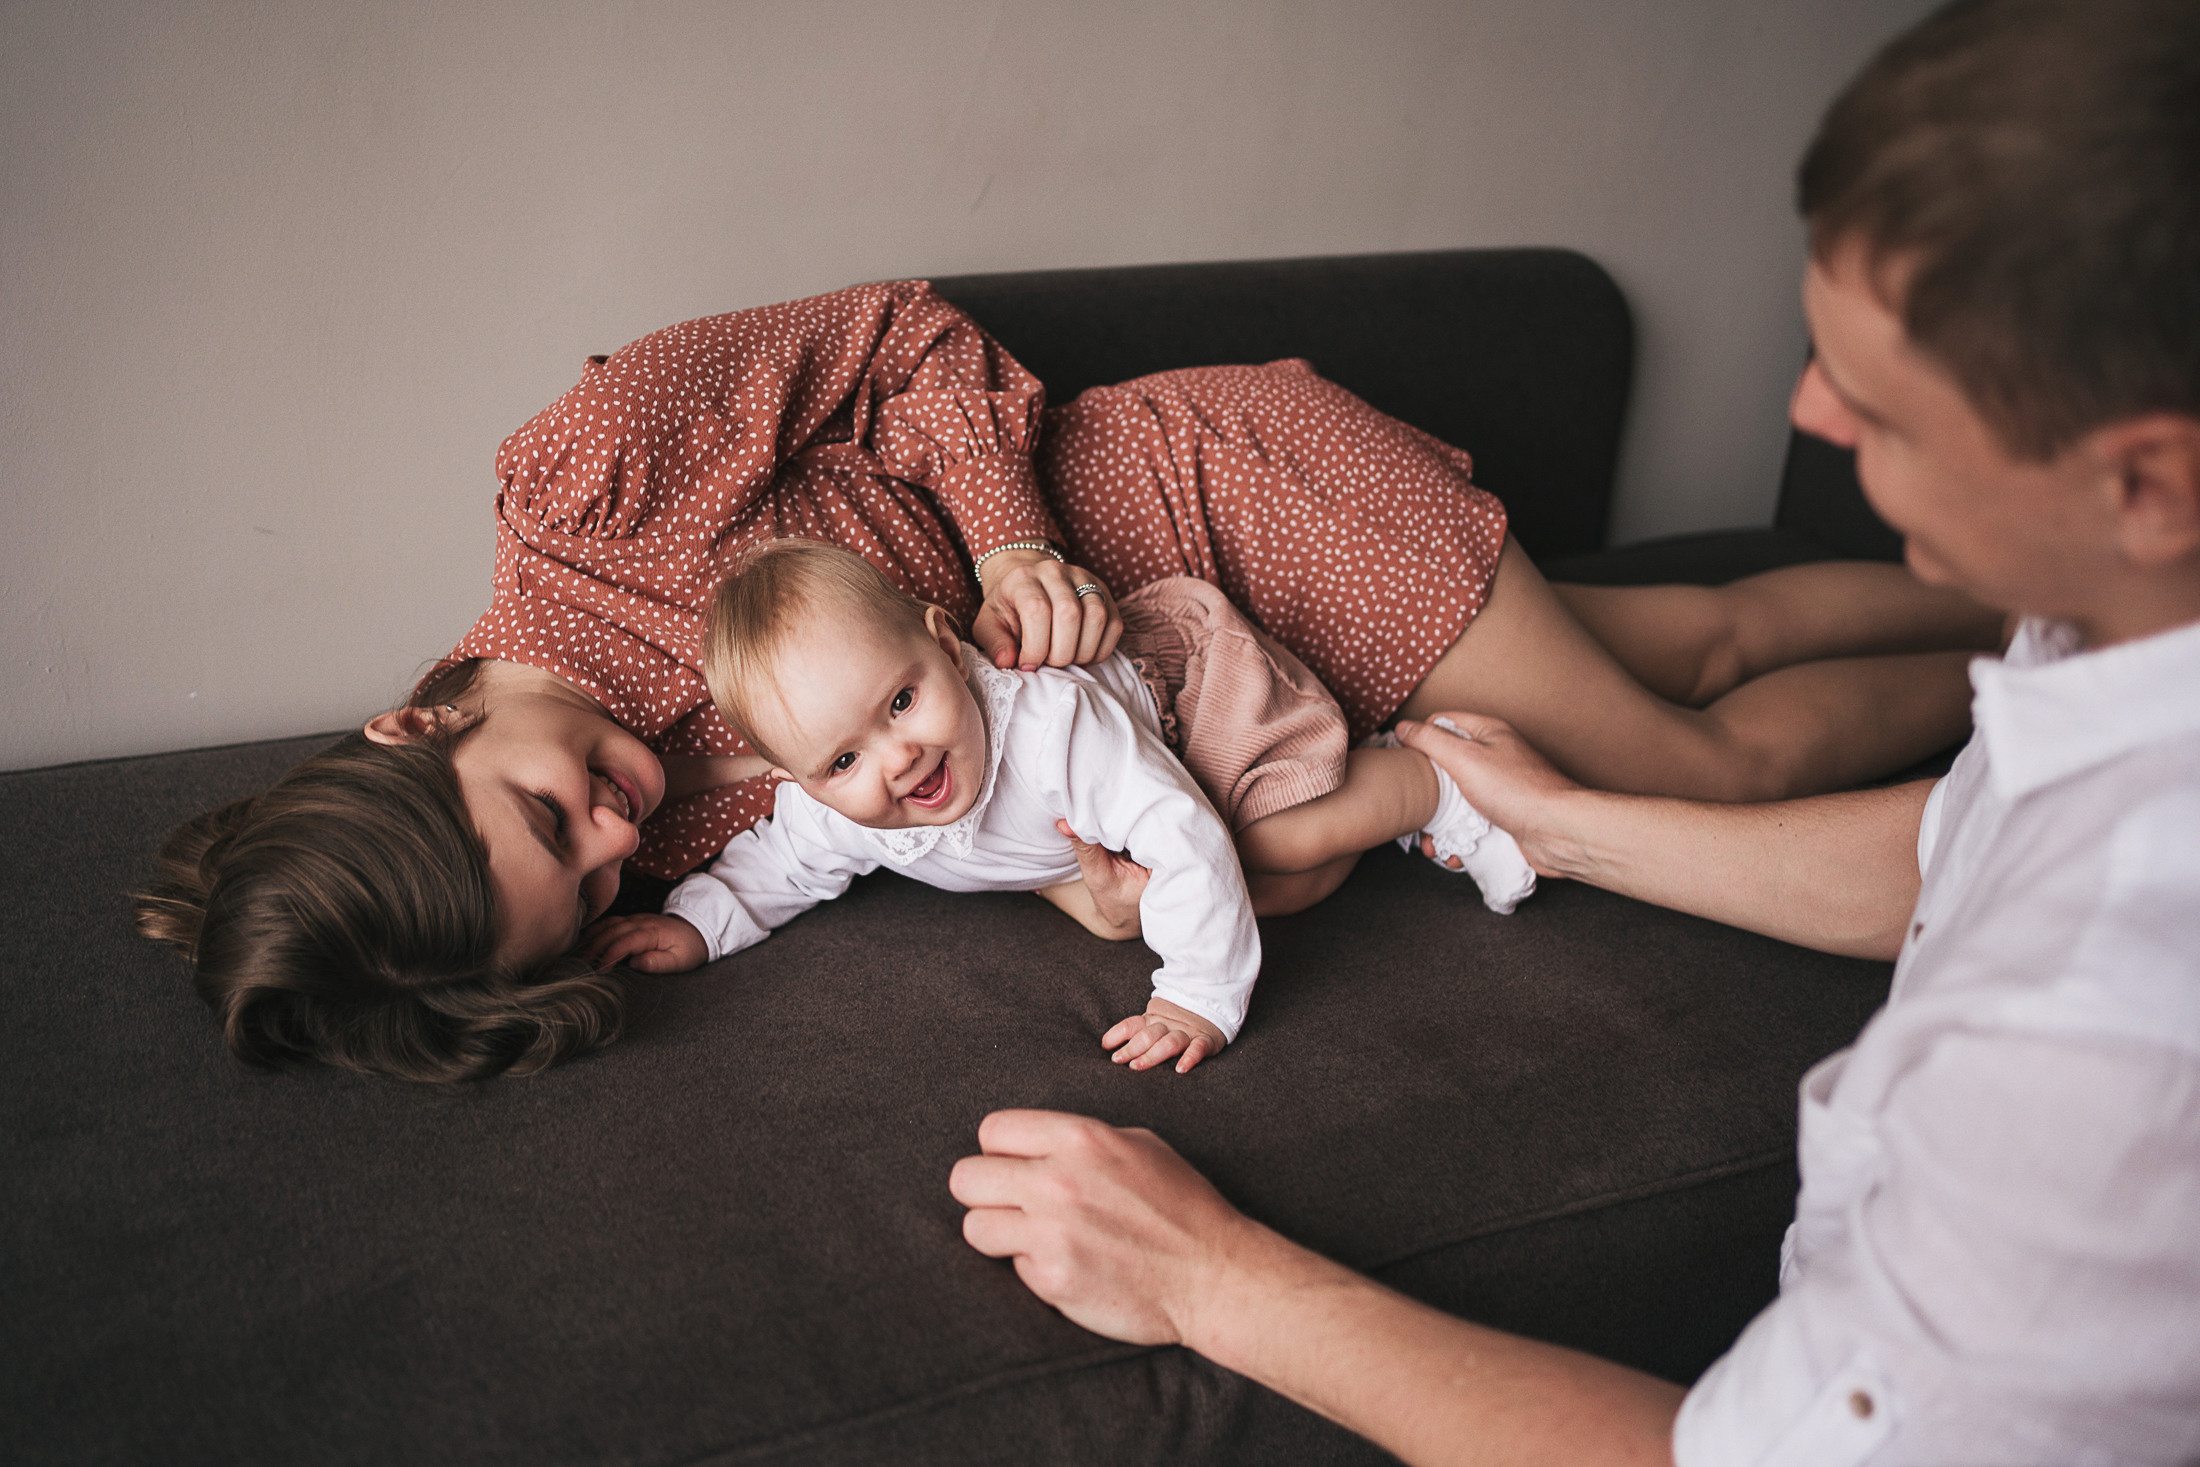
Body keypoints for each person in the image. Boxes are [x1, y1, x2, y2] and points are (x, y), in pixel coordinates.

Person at [948, 1, 2200, 1460]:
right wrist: (1563, 824)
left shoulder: (2107, 1022)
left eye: (1878, 399)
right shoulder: (2125, 623)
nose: (1809, 407)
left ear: (2148, 483)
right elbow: (1958, 846)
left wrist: (1208, 1275)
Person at [135, 262, 1997, 1085]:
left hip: (1207, 516)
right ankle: (2025, 624)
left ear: (418, 719)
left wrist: (1012, 532)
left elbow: (892, 333)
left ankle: (2057, 685)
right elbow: (940, 807)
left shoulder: (592, 479)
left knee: (1696, 763)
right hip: (1196, 702)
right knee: (1703, 631)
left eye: (555, 811)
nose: (624, 820)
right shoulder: (686, 822)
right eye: (596, 880)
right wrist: (1089, 895)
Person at [580, 538, 1534, 1072]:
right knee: (1288, 887)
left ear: (946, 643)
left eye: (903, 700)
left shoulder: (1048, 731)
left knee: (1265, 846)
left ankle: (1433, 782)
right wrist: (703, 923)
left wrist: (1197, 993)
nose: (900, 757)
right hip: (1135, 784)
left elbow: (1179, 827)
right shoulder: (833, 810)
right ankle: (1386, 785)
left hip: (1187, 698)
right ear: (798, 779)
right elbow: (781, 865)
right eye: (843, 758)